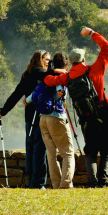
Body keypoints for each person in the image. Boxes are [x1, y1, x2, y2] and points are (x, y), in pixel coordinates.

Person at [44, 27, 108, 187]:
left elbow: (48, 80)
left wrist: (55, 70)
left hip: (85, 119)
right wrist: (92, 33)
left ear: (70, 63)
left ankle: (92, 181)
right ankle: (103, 182)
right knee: (106, 150)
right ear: (83, 59)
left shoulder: (67, 77)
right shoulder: (95, 69)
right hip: (102, 115)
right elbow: (107, 48)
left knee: (90, 151)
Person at [0, 50, 65, 188]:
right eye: (47, 59)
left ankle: (31, 181)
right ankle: (38, 183)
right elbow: (53, 75)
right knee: (40, 149)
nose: (49, 62)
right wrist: (62, 70)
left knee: (31, 148)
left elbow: (15, 95)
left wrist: (2, 112)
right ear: (40, 59)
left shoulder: (27, 75)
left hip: (29, 117)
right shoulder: (41, 73)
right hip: (40, 116)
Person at [29, 52, 75, 189]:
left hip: (43, 118)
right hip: (57, 117)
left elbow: (29, 99)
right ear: (67, 64)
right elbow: (61, 92)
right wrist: (61, 92)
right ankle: (65, 184)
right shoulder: (60, 77)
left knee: (51, 154)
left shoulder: (46, 76)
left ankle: (56, 184)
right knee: (68, 153)